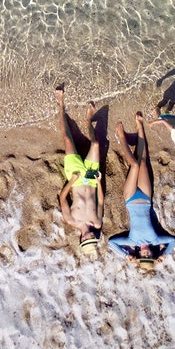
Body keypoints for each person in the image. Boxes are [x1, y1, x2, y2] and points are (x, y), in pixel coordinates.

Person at [107, 111, 175, 261]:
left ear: (139, 254)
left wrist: (126, 255)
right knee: (143, 163)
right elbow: (173, 241)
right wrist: (164, 254)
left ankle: (121, 137)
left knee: (134, 165)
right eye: (149, 256)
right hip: (146, 200)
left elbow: (111, 242)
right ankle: (140, 127)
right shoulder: (155, 240)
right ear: (152, 253)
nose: (146, 254)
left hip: (131, 199)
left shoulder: (132, 242)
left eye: (143, 256)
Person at [53, 84, 103, 254]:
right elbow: (101, 201)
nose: (90, 237)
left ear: (81, 239)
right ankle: (88, 121)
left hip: (76, 180)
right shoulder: (97, 223)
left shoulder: (70, 220)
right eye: (93, 239)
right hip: (90, 178)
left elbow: (62, 198)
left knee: (67, 139)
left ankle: (60, 104)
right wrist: (98, 182)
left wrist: (72, 180)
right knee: (95, 144)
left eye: (87, 240)